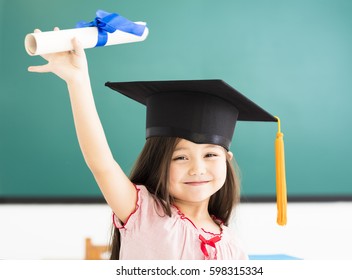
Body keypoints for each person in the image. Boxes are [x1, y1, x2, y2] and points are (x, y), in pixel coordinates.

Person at [28, 28, 282, 260]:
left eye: (210, 155)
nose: (197, 168)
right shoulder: (144, 214)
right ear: (159, 161)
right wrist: (77, 81)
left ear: (227, 160)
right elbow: (101, 164)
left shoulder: (232, 246)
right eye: (180, 157)